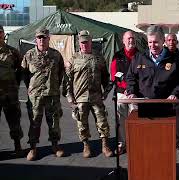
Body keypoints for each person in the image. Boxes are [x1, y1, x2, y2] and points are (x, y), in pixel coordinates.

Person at [65, 30, 112, 158]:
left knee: (102, 121)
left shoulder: (99, 57)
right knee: (82, 123)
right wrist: (70, 97)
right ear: (79, 44)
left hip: (96, 96)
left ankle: (105, 145)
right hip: (80, 98)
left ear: (91, 42)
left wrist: (106, 91)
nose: (85, 45)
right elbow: (67, 80)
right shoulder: (73, 59)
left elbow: (105, 77)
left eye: (87, 42)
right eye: (82, 43)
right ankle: (86, 146)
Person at [22, 27, 65, 161]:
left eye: (44, 37)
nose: (41, 40)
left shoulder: (56, 55)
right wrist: (32, 88)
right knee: (34, 122)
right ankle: (33, 148)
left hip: (52, 95)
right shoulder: (29, 55)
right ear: (36, 39)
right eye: (39, 37)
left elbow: (60, 73)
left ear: (48, 38)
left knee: (54, 122)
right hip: (35, 96)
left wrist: (54, 87)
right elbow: (24, 74)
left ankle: (55, 145)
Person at [126, 25, 179, 118]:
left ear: (163, 40)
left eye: (156, 42)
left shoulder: (174, 60)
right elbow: (131, 77)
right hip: (143, 107)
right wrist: (131, 91)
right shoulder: (139, 58)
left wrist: (174, 94)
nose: (152, 46)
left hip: (166, 107)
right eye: (150, 42)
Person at [110, 31, 138, 155]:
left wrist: (132, 89)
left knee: (135, 119)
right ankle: (122, 144)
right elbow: (113, 75)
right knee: (121, 119)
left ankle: (134, 143)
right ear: (123, 40)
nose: (130, 40)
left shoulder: (140, 55)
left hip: (135, 92)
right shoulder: (117, 56)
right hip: (121, 92)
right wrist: (125, 88)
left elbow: (144, 76)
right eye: (128, 38)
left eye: (132, 38)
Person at [0, 24, 23, 155]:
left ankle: (17, 145)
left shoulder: (12, 52)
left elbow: (21, 70)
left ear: (3, 34)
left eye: (0, 32)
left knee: (14, 120)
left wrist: (15, 84)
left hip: (10, 94)